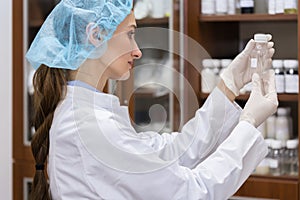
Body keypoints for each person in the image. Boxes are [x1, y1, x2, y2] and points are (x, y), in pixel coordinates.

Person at [26, 0, 277, 199]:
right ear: (96, 35)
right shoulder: (91, 126)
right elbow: (190, 193)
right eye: (130, 34)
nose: (137, 51)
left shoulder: (85, 115)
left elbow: (169, 154)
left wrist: (227, 87)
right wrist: (248, 123)